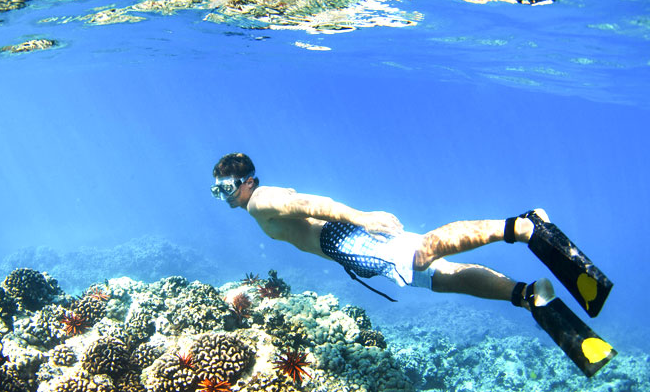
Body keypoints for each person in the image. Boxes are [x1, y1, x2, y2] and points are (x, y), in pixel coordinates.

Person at [211, 152, 615, 377]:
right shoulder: (256, 205)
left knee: (425, 252)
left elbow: (309, 204)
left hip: (349, 240)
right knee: (441, 278)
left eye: (227, 187)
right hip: (349, 248)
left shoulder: (260, 202)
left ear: (248, 181)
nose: (224, 196)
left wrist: (360, 218)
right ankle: (527, 295)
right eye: (217, 191)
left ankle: (523, 226)